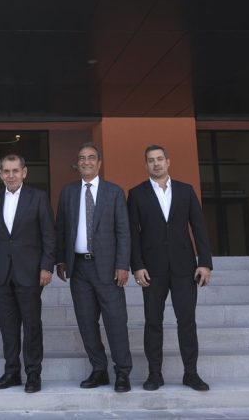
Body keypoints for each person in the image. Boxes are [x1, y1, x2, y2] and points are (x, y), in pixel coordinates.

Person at [127, 144, 212, 392]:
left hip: (185, 267)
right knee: (153, 322)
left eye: (160, 159)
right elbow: (132, 234)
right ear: (146, 165)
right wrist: (137, 266)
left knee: (187, 321)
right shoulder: (136, 194)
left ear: (168, 162)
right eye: (151, 160)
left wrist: (204, 262)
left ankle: (191, 374)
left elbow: (199, 227)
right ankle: (155, 374)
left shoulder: (186, 191)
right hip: (152, 269)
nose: (156, 163)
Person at [55, 142, 133, 393]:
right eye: (81, 158)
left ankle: (122, 372)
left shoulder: (114, 192)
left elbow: (123, 231)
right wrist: (60, 259)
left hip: (108, 269)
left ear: (99, 163)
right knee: (87, 323)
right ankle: (99, 370)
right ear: (77, 164)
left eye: (91, 158)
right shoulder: (68, 192)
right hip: (79, 268)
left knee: (116, 322)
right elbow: (61, 228)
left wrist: (122, 264)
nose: (86, 162)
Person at [0, 154, 55, 394]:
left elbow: (48, 234)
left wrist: (46, 266)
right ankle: (12, 372)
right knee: (8, 326)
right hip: (2, 272)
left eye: (15, 171)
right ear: (0, 174)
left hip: (30, 272)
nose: (11, 175)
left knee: (31, 325)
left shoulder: (38, 197)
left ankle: (33, 374)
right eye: (6, 171)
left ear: (24, 172)